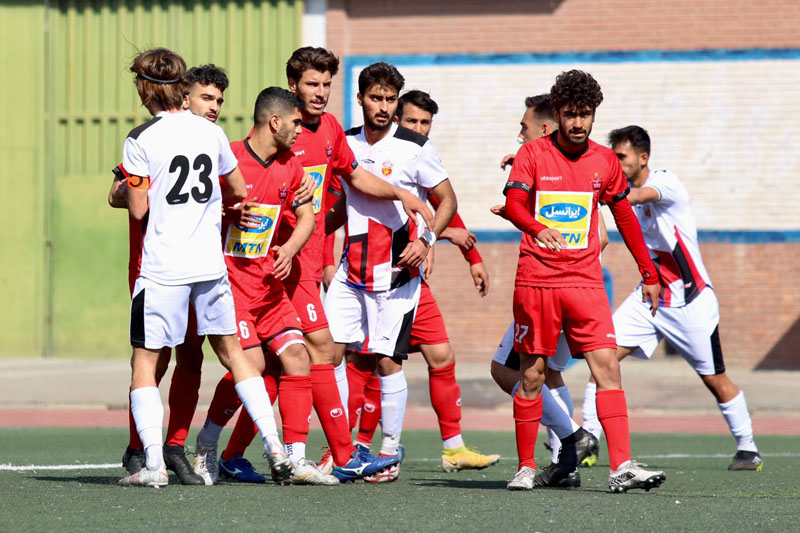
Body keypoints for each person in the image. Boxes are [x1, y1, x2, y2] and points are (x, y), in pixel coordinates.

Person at [200, 47, 422, 484]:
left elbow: (352, 178)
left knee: (293, 359)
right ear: (292, 87)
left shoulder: (331, 130)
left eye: (326, 85)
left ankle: (267, 454)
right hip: (260, 273)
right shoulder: (270, 142)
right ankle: (331, 453)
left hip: (299, 265)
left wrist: (401, 193)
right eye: (311, 84)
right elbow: (231, 198)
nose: (320, 93)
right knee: (288, 358)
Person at [117, 48, 288, 487]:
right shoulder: (212, 133)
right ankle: (275, 445)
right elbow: (238, 188)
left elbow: (137, 208)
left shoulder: (140, 138)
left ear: (144, 87)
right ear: (182, 87)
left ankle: (153, 465)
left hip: (163, 269)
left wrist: (136, 187)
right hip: (209, 266)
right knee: (233, 354)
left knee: (145, 362)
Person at [502, 70, 666, 493]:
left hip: (585, 283)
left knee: (608, 367)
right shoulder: (532, 154)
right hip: (537, 281)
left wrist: (648, 272)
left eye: (586, 114)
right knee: (532, 375)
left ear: (594, 115)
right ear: (557, 113)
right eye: (571, 114)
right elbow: (514, 204)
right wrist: (538, 228)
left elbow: (625, 218)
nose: (578, 123)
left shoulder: (605, 161)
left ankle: (622, 466)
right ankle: (525, 467)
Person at [579, 125, 761, 471]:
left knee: (715, 380)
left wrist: (600, 190)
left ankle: (748, 448)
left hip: (690, 301)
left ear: (643, 158)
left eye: (621, 156)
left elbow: (638, 196)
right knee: (602, 358)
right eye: (612, 156)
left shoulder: (665, 183)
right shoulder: (624, 193)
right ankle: (587, 440)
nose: (616, 162)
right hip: (649, 298)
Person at [343, 89, 499, 475]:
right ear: (396, 119)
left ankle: (453, 447)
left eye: (425, 123)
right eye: (412, 121)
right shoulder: (370, 153)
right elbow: (357, 212)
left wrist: (469, 255)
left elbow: (442, 208)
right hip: (373, 276)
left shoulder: (418, 155)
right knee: (371, 362)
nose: (419, 128)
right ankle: (354, 446)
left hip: (409, 279)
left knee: (440, 355)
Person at [324, 63, 457, 483]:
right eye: (375, 98)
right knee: (328, 355)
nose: (383, 106)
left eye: (390, 99)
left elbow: (448, 201)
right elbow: (340, 207)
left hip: (396, 275)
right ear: (360, 99)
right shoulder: (345, 143)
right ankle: (341, 449)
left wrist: (427, 241)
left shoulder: (415, 147)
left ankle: (389, 453)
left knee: (386, 362)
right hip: (351, 270)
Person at [107, 64, 231, 486]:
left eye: (219, 100)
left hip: (200, 267)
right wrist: (143, 189)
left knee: (193, 355)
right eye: (206, 98)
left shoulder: (212, 142)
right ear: (184, 96)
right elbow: (117, 193)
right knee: (152, 358)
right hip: (154, 265)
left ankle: (175, 446)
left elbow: (237, 191)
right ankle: (139, 448)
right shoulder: (151, 139)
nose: (213, 107)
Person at [490, 94, 602, 488]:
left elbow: (596, 235)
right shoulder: (557, 167)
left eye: (523, 128)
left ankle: (573, 437)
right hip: (574, 287)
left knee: (506, 370)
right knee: (550, 374)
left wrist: (561, 258)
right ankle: (564, 464)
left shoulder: (563, 169)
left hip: (553, 288)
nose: (520, 135)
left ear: (542, 129)